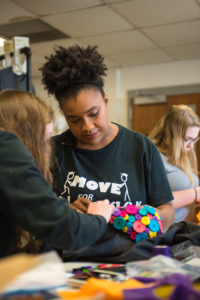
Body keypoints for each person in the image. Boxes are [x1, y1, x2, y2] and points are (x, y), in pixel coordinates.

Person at [40, 44, 174, 232]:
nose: (87, 127)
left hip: (131, 257)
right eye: (74, 119)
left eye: (93, 113)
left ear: (106, 101)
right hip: (72, 258)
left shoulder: (141, 147)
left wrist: (143, 218)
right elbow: (39, 214)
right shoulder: (53, 150)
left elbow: (167, 209)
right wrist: (66, 213)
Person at [0, 89, 115, 258]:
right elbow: (67, 230)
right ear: (27, 136)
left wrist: (60, 211)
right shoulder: (5, 146)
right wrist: (98, 217)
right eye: (44, 140)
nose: (47, 149)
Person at [149, 104, 200, 223]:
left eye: (194, 140)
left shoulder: (183, 158)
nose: (191, 146)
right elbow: (154, 202)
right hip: (165, 233)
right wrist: (195, 194)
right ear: (171, 135)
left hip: (183, 230)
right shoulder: (153, 157)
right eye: (187, 139)